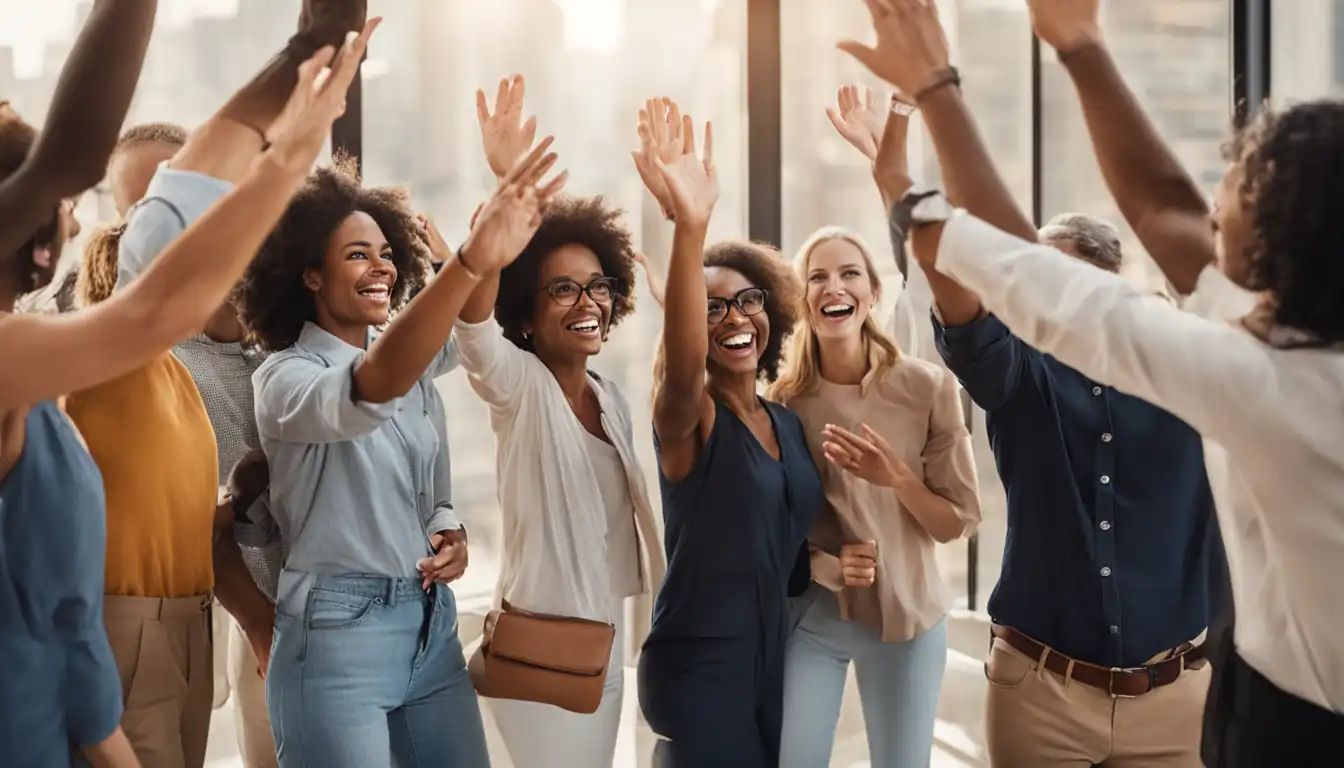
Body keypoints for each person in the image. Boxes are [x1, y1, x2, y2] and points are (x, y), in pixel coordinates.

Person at [838, 4, 1218, 766]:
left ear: (1112, 288)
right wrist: (901, 183)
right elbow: (963, 293)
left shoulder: (1193, 371)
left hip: (1176, 705)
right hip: (1040, 697)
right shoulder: (1019, 376)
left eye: (1052, 284)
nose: (1035, 303)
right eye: (1027, 285)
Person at [975, 2, 1339, 764]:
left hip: (1291, 727)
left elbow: (1061, 283)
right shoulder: (1286, 359)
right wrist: (1079, 46)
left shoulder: (1254, 380)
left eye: (1238, 184)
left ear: (1286, 232)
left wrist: (931, 121)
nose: (1214, 203)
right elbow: (1168, 212)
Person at [0, 9, 363, 768]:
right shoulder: (29, 358)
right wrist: (284, 159)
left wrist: (309, 52)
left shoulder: (42, 366)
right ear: (39, 253)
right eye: (77, 207)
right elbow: (158, 286)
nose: (88, 221)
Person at [236, 131, 565, 765]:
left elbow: (467, 321)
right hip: (335, 641)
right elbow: (370, 386)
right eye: (357, 255)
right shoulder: (285, 378)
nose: (382, 266)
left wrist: (446, 529)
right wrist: (470, 260)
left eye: (387, 253)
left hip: (428, 628)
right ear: (308, 273)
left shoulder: (405, 359)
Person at [449, 75, 666, 767]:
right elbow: (473, 323)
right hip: (543, 651)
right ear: (528, 312)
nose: (587, 302)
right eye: (563, 289)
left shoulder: (612, 398)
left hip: (603, 645)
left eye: (597, 286)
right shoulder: (522, 385)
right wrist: (508, 189)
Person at [764, 87, 981, 768]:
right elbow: (766, 529)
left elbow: (956, 522)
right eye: (818, 276)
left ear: (872, 293)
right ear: (803, 300)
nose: (835, 286)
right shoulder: (781, 404)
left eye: (850, 273)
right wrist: (823, 565)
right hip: (817, 622)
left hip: (910, 620)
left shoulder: (926, 386)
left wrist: (896, 479)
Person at [78, 120, 281, 768]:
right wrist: (258, 621)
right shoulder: (136, 359)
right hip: (240, 627)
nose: (158, 229)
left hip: (301, 617)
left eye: (172, 202)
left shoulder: (289, 323)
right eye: (135, 212)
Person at [633, 99, 823, 767]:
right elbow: (683, 363)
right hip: (699, 663)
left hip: (775, 659)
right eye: (711, 307)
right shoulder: (688, 415)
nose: (734, 317)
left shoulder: (788, 424)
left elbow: (789, 555)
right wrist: (690, 225)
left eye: (747, 300)